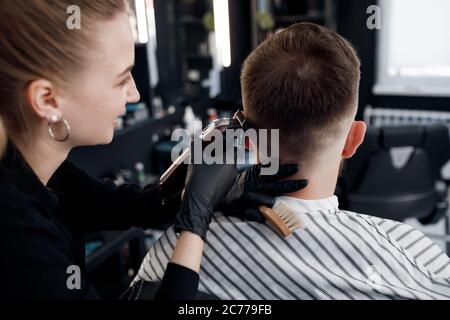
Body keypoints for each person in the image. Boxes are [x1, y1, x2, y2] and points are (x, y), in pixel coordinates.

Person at [0, 1, 307, 300]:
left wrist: (203, 179)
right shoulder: (16, 234)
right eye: (121, 80)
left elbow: (127, 204)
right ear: (48, 100)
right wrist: (194, 222)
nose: (134, 93)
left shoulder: (39, 171)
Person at [134, 22, 450, 300]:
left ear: (243, 134)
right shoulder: (410, 258)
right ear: (354, 139)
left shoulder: (174, 257)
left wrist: (192, 210)